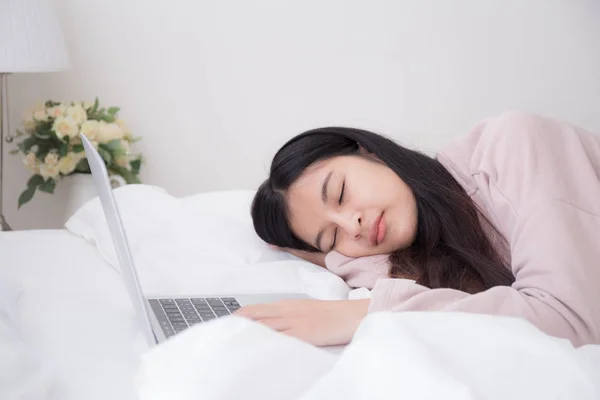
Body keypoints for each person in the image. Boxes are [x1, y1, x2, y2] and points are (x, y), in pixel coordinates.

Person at [234, 111, 600, 348]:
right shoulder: (431, 244)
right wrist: (323, 256)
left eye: (341, 193)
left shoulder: (514, 143)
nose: (353, 226)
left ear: (370, 152)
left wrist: (361, 316)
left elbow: (569, 320)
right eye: (332, 237)